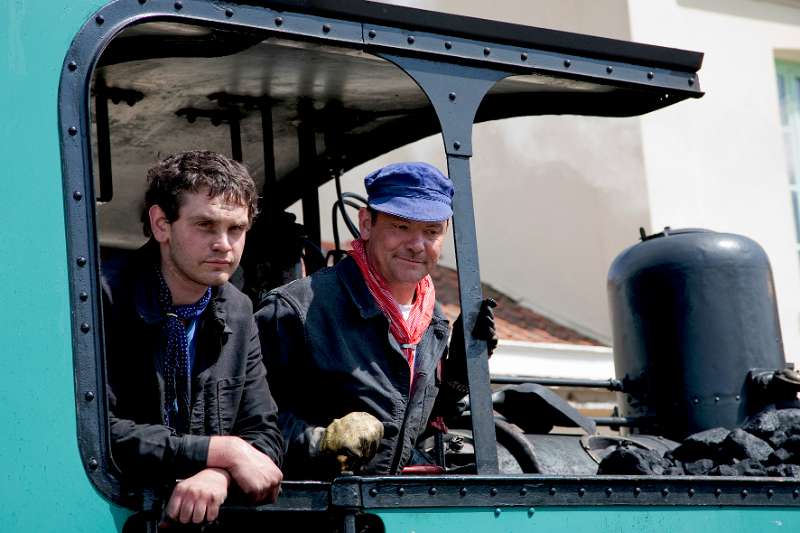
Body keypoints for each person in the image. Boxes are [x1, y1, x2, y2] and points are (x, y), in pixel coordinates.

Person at [255, 162, 496, 479]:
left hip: (384, 513)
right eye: (401, 227)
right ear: (366, 224)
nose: (416, 244)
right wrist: (321, 444)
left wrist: (459, 377)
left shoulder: (432, 321)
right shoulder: (294, 310)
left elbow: (409, 425)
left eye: (431, 232)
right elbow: (245, 422)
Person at [103, 151, 283, 526]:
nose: (224, 244)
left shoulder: (238, 309)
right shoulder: (103, 300)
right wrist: (220, 451)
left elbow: (264, 434)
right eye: (205, 225)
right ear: (161, 224)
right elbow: (98, 431)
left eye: (236, 229)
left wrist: (218, 472)